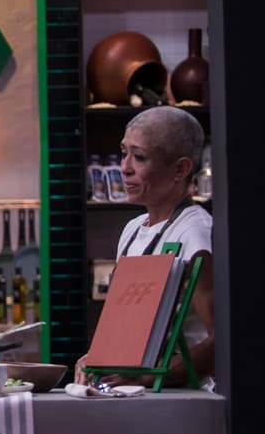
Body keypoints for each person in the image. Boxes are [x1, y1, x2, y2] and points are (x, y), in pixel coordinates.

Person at [76, 105, 214, 387]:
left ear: (180, 169)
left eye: (139, 157)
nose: (124, 168)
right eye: (124, 152)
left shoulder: (195, 233)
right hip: (138, 395)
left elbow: (223, 341)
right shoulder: (131, 230)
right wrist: (96, 358)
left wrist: (151, 377)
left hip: (186, 400)